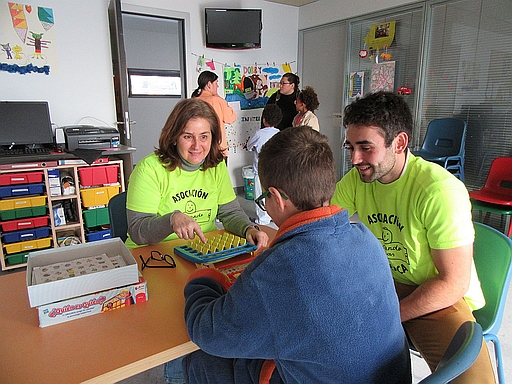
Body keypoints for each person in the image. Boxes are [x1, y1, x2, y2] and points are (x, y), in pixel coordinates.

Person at [181, 126, 411, 384]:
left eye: (263, 198)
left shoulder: (278, 268)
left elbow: (208, 333)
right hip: (388, 377)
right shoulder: (365, 238)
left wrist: (203, 278)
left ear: (277, 199)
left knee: (201, 362)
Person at [331, 91, 495, 383]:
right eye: (351, 147)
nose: (355, 159)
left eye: (366, 147)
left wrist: (391, 314)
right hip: (386, 283)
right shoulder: (358, 179)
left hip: (436, 295)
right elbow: (324, 225)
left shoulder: (438, 191)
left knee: (472, 378)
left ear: (400, 143)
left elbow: (453, 282)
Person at [125, 98, 269, 384]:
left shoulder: (214, 167)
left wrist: (247, 229)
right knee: (176, 323)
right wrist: (171, 219)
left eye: (204, 136)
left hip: (201, 257)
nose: (197, 146)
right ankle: (176, 373)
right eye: (188, 136)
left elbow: (229, 212)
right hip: (155, 261)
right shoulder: (150, 168)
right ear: (173, 135)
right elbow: (138, 231)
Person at [246, 104, 282, 225]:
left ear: (264, 119)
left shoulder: (259, 134)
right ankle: (273, 216)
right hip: (276, 171)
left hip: (260, 171)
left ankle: (261, 219)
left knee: (260, 195)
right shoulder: (280, 134)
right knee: (273, 194)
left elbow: (250, 146)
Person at [191, 70, 236, 157]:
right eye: (216, 83)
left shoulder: (193, 101)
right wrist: (218, 96)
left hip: (198, 148)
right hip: (217, 148)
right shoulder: (216, 100)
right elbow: (231, 118)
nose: (217, 86)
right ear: (209, 84)